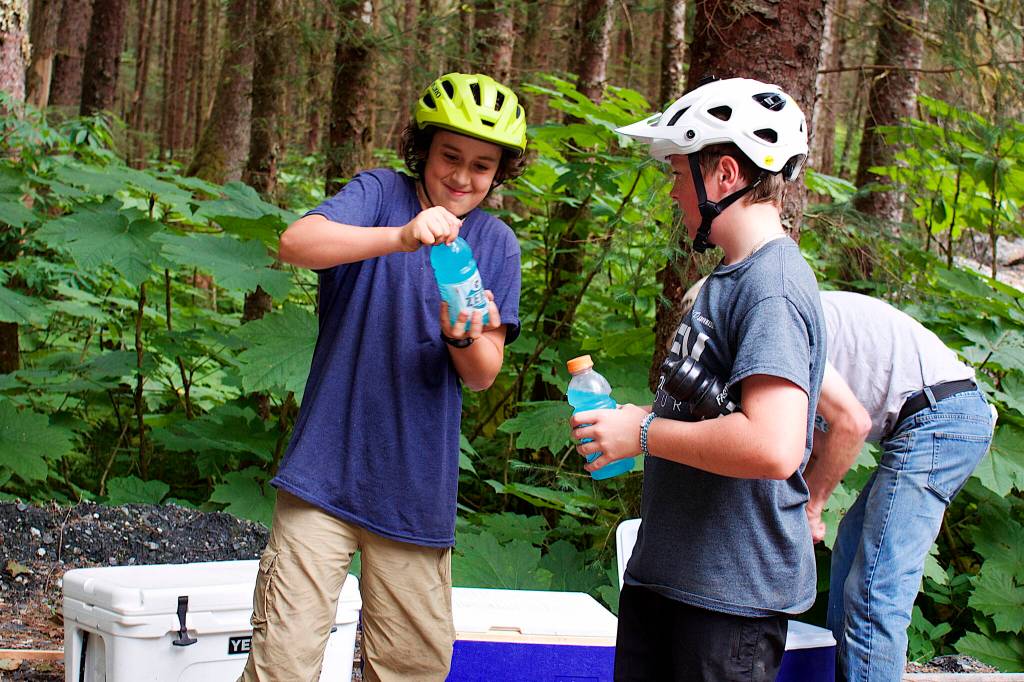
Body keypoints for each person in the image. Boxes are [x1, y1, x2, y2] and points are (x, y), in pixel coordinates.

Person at [238, 73, 527, 681]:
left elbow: (482, 375)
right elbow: (296, 242)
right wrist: (399, 237)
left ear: (499, 173)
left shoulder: (496, 243)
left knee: (411, 669)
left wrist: (462, 335)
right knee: (282, 664)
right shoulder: (379, 193)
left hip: (415, 491)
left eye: (482, 165)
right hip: (324, 472)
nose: (462, 177)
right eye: (450, 156)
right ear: (423, 148)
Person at [574, 76, 826, 680]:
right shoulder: (729, 281)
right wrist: (642, 420)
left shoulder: (773, 289)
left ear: (725, 176)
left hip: (727, 597)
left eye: (677, 173)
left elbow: (772, 445)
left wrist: (643, 433)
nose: (671, 192)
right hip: (672, 577)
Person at [802, 290, 994, 682]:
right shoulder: (781, 313)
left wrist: (810, 508)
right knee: (852, 552)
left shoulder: (780, 322)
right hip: (933, 416)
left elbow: (851, 426)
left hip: (941, 417)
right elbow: (818, 443)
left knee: (876, 588)